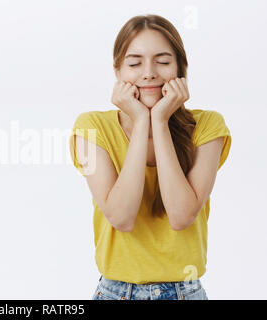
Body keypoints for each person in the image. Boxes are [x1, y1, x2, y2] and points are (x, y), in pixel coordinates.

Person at [69, 14, 231, 300]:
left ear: (181, 69)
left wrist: (159, 121)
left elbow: (182, 216)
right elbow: (121, 217)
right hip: (115, 292)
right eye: (134, 63)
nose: (148, 73)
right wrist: (141, 121)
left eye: (163, 61)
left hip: (185, 292)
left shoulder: (208, 126)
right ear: (118, 71)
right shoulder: (92, 127)